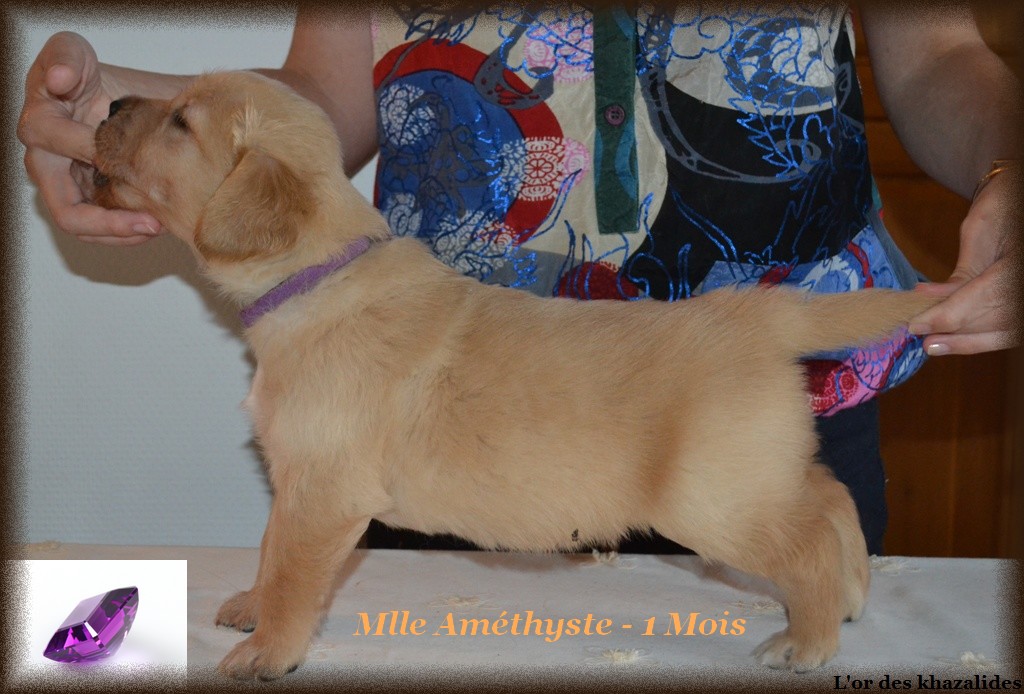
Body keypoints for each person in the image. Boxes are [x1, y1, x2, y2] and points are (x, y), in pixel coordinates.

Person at [19, 5, 1020, 556]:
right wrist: (128, 119)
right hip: (455, 418)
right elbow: (325, 94)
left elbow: (935, 53)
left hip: (762, 398)